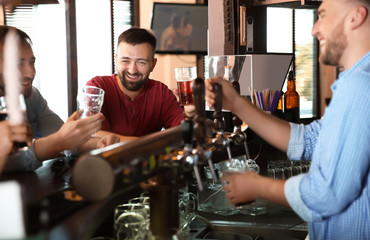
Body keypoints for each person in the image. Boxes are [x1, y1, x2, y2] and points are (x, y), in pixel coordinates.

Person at [205, 0, 370, 239]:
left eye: (322, 15)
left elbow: (326, 194)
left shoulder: (360, 86)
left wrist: (257, 186)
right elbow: (308, 140)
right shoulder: (356, 82)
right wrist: (236, 103)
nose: (314, 29)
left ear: (356, 17)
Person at [0, 26, 119, 172]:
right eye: (18, 64)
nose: (31, 73)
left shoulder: (32, 96)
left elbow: (63, 136)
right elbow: (10, 161)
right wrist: (58, 141)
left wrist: (98, 144)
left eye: (32, 62)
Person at [87, 27, 195, 139]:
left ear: (153, 64)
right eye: (125, 61)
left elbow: (183, 132)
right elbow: (88, 135)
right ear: (116, 59)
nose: (132, 70)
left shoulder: (161, 92)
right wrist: (143, 143)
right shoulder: (97, 87)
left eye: (141, 62)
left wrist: (190, 114)